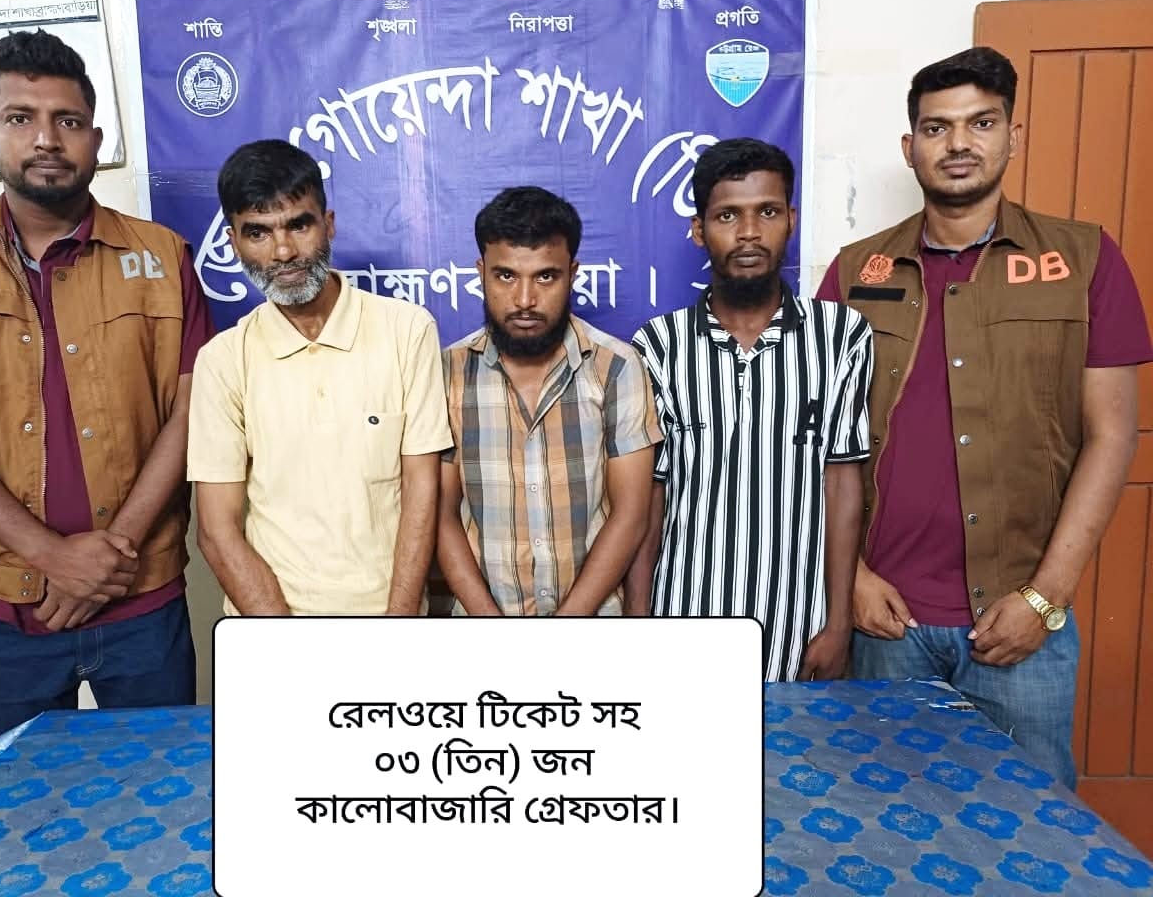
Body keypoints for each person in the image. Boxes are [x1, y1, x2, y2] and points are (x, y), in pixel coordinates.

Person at [816, 47, 1152, 788]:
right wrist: (853, 578)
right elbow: (814, 439)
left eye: (981, 122)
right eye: (937, 128)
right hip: (886, 622)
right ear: (910, 147)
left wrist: (1045, 596)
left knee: (1033, 831)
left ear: (1013, 135)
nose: (959, 144)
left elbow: (1111, 436)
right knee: (888, 824)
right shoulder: (856, 271)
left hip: (1020, 621)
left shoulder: (1084, 260)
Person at [0, 30, 212, 771]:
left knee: (162, 794)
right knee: (15, 811)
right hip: (3, 608)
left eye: (67, 120)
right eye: (20, 118)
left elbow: (191, 415)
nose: (45, 139)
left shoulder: (161, 258)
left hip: (141, 599)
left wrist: (111, 556)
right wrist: (52, 557)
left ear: (95, 138)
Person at [630, 139, 872, 681]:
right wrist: (639, 621)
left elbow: (842, 484)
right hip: (682, 622)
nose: (748, 233)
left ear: (791, 220)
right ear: (699, 230)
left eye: (767, 212)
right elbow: (650, 499)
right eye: (727, 216)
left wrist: (838, 624)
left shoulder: (840, 335)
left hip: (799, 626)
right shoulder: (658, 346)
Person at [189, 139, 451, 615]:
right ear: (233, 242)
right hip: (272, 626)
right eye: (258, 233)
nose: (283, 251)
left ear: (328, 224)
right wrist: (291, 643)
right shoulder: (222, 360)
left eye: (299, 225)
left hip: (390, 621)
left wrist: (399, 626)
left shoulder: (407, 331)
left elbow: (422, 493)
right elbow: (217, 529)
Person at [436, 187, 661, 616]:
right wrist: (490, 626)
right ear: (480, 272)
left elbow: (631, 514)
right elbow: (441, 515)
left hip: (592, 629)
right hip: (481, 631)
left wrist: (562, 631)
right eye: (506, 276)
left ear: (572, 273)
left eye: (545, 277)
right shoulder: (448, 372)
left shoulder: (615, 367)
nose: (524, 300)